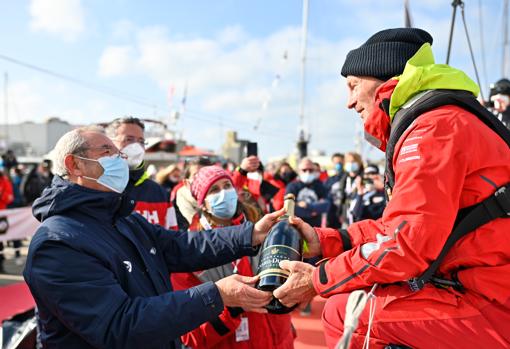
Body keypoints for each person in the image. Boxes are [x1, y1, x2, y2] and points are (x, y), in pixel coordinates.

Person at [273, 28, 510, 348]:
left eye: (353, 86)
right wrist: (330, 241)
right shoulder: (442, 119)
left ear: (382, 77)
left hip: (492, 304)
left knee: (346, 313)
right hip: (487, 290)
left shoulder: (432, 128)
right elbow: (398, 227)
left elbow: (405, 246)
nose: (349, 102)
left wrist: (318, 279)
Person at [23, 127, 288, 349]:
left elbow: (180, 245)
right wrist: (216, 295)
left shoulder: (122, 218)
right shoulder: (57, 243)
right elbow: (120, 325)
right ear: (74, 164)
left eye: (118, 154)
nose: (120, 159)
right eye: (108, 152)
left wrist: (251, 233)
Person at [172, 166, 294, 348]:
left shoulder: (262, 230)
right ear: (203, 203)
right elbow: (190, 336)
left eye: (227, 185)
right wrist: (232, 307)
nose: (224, 193)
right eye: (214, 190)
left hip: (278, 340)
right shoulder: (190, 252)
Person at [106, 117, 178, 230]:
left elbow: (172, 239)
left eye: (141, 141)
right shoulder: (95, 186)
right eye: (129, 139)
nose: (137, 146)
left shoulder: (158, 193)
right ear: (109, 143)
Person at [285, 157, 329, 228]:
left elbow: (326, 205)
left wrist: (307, 206)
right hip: (296, 226)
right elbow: (289, 207)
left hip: (315, 227)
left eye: (310, 170)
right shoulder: (292, 186)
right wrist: (313, 210)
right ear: (299, 171)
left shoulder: (320, 185)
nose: (307, 172)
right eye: (304, 170)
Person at [324, 153, 346, 228]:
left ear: (344, 162)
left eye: (340, 162)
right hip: (331, 213)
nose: (338, 165)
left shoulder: (348, 177)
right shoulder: (330, 180)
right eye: (336, 163)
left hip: (344, 213)